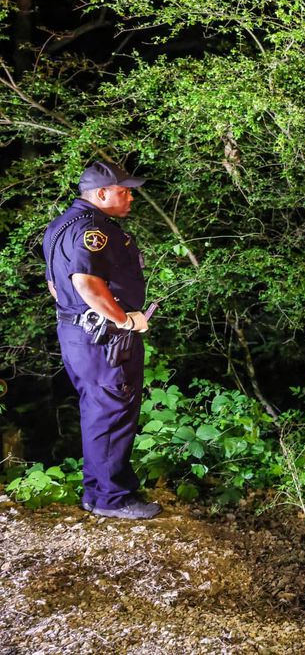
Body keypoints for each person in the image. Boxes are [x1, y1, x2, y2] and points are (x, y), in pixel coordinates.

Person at [41, 161, 158, 519]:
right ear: (102, 193)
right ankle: (113, 499)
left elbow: (54, 285)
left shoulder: (60, 225)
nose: (130, 198)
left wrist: (78, 317)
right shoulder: (94, 229)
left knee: (99, 410)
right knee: (112, 410)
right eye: (124, 192)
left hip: (77, 333)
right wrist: (125, 321)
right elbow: (85, 283)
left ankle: (97, 494)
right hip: (104, 337)